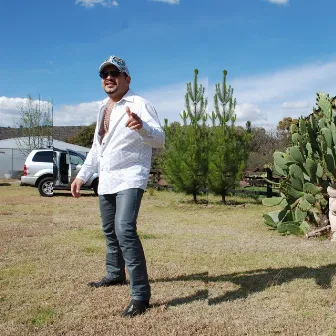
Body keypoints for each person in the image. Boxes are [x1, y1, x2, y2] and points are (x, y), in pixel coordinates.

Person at [70, 55, 165, 317]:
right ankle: (114, 274)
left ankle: (140, 295)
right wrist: (82, 176)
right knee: (110, 230)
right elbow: (96, 148)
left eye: (115, 73)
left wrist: (142, 126)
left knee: (124, 229)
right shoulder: (103, 108)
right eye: (104, 74)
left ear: (127, 79)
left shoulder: (139, 103)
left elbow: (159, 139)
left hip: (131, 176)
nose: (109, 78)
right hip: (106, 179)